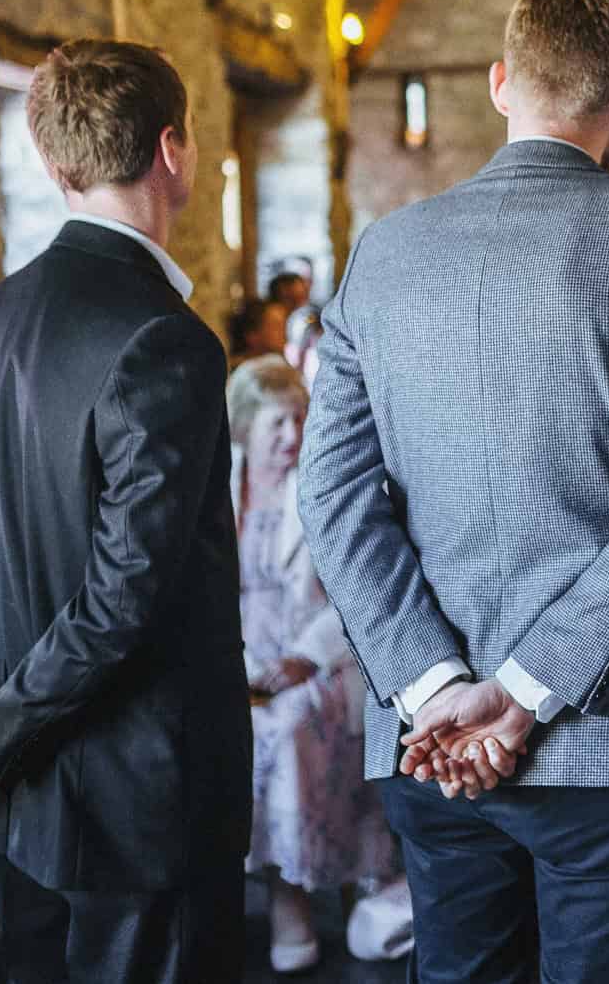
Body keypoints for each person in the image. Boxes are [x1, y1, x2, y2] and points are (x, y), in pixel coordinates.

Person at [299, 0, 609, 982]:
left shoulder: (385, 250)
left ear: (499, 84)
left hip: (431, 742)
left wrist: (437, 686)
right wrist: (526, 693)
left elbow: (330, 497)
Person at [0, 40, 249, 980]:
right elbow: (128, 596)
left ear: (54, 165)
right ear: (174, 151)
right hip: (141, 808)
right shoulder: (167, 339)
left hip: (16, 799)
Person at [228, 356, 402, 974]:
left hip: (320, 664)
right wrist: (242, 662)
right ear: (245, 426)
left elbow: (360, 590)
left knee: (290, 724)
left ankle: (294, 898)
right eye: (277, 422)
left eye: (300, 419)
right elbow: (203, 594)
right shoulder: (218, 489)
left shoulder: (322, 486)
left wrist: (303, 656)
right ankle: (267, 896)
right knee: (224, 727)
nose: (292, 435)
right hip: (237, 663)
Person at [233, 296, 291, 368]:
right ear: (252, 335)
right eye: (276, 326)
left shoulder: (278, 367)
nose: (284, 333)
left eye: (284, 325)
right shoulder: (247, 371)